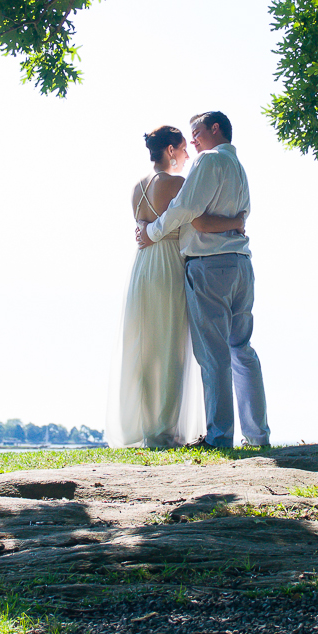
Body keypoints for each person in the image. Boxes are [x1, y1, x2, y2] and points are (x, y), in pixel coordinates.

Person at [135, 111, 268, 449]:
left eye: (195, 131)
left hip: (209, 265)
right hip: (241, 263)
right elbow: (241, 216)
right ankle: (257, 434)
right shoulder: (240, 168)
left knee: (213, 356)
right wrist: (226, 223)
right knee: (242, 349)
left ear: (215, 128)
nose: (192, 140)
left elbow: (184, 210)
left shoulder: (208, 161)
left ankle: (219, 437)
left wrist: (152, 232)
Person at [107, 125, 245, 448]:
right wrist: (235, 222)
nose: (187, 155)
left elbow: (142, 229)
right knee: (171, 346)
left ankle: (142, 425)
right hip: (169, 262)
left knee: (144, 346)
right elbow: (196, 220)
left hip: (142, 265)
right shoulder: (178, 184)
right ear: (170, 150)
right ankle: (164, 429)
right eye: (183, 149)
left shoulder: (136, 188)